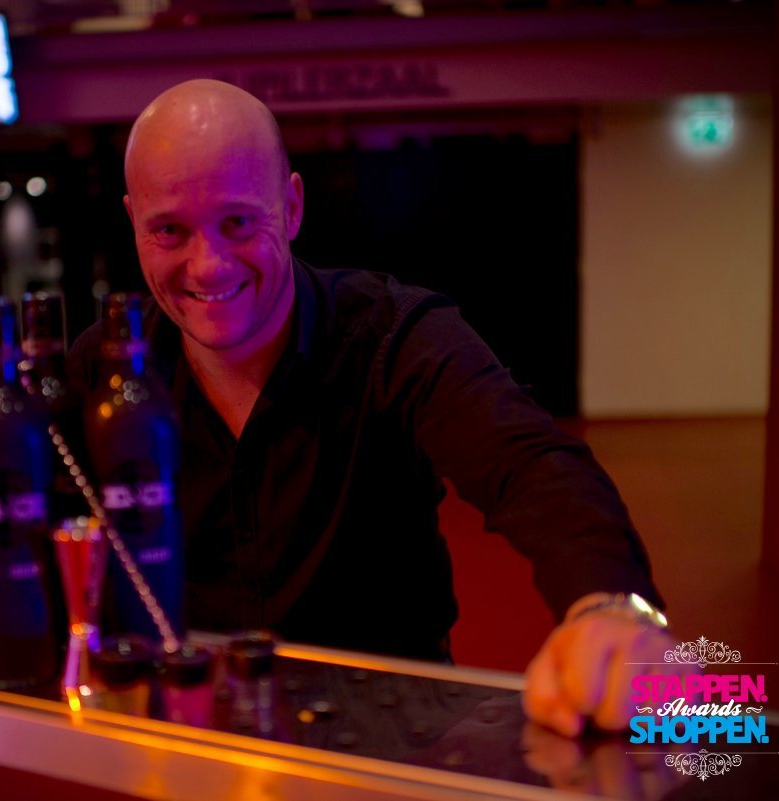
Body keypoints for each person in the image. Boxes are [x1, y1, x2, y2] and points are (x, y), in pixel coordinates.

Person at [66, 79, 682, 738]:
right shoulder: (101, 368)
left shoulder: (395, 334)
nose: (208, 265)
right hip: (191, 733)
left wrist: (610, 605)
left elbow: (529, 464)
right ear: (134, 222)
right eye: (169, 230)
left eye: (238, 222)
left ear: (291, 207)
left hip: (395, 735)